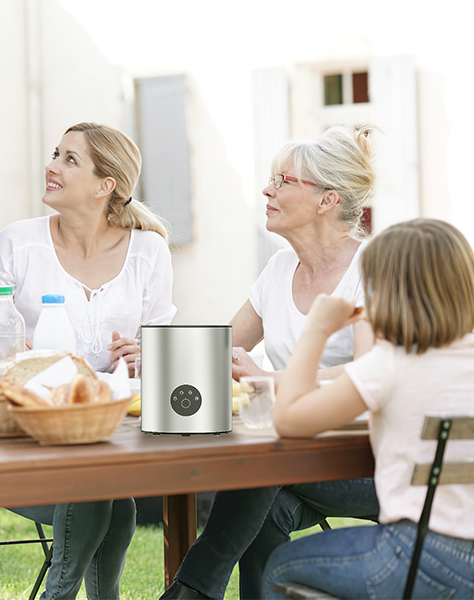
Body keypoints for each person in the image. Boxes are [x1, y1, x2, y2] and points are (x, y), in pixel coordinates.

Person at [162, 125, 381, 600]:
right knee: (266, 494)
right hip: (299, 454)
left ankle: (191, 592)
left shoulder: (374, 270)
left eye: (283, 181)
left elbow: (371, 374)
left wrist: (276, 381)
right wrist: (164, 355)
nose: (267, 189)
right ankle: (194, 592)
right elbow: (221, 348)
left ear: (327, 200)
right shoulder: (280, 269)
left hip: (375, 461)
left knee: (263, 466)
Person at [0, 122, 175, 599]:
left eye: (69, 159)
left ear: (106, 186)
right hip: (31, 431)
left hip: (112, 430)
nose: (51, 166)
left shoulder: (149, 250)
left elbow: (163, 340)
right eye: (56, 154)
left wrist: (147, 353)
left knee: (112, 497)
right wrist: (10, 363)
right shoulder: (19, 243)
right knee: (104, 491)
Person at [263, 219, 474, 598]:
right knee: (278, 503)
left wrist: (318, 329)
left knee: (280, 566)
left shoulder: (393, 363)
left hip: (420, 556)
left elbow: (289, 419)